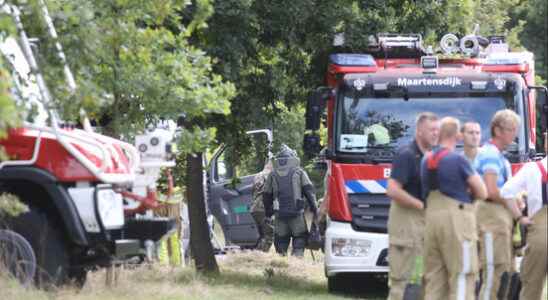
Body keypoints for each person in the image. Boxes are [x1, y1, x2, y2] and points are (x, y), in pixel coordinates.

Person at [421, 117, 488, 300]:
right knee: (462, 274)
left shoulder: (426, 160)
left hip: (432, 218)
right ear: (458, 136)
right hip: (457, 220)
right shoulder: (458, 160)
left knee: (434, 279)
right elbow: (482, 191)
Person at [386, 112, 440, 300]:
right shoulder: (407, 154)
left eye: (437, 130)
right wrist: (420, 205)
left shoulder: (431, 156)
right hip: (406, 223)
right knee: (402, 283)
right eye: (431, 130)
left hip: (424, 223)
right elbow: (392, 189)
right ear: (419, 131)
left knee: (422, 283)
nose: (436, 134)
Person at [475, 109, 521, 300]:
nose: (514, 134)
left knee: (505, 271)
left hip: (500, 220)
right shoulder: (490, 155)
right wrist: (513, 200)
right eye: (511, 129)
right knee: (493, 272)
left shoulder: (499, 157)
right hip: (491, 219)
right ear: (498, 130)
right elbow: (491, 190)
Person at [501, 132, 547, 300]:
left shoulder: (533, 169)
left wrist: (520, 217)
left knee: (531, 287)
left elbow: (506, 192)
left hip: (539, 233)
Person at [263, 145, 318, 257]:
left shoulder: (272, 175)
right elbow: (309, 191)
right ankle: (296, 260)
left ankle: (282, 264)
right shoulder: (299, 172)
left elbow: (266, 195)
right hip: (297, 214)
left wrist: (269, 213)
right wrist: (315, 209)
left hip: (279, 215)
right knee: (299, 238)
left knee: (281, 241)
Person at [250, 160, 274, 252]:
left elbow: (252, 191)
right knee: (269, 235)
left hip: (254, 208)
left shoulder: (257, 175)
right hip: (263, 208)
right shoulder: (270, 175)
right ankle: (261, 256)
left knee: (262, 235)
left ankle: (257, 254)